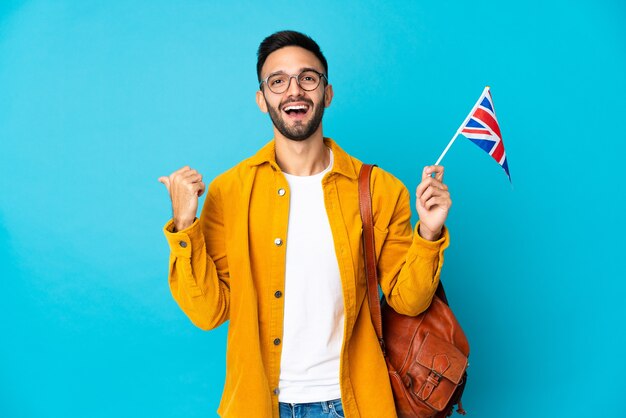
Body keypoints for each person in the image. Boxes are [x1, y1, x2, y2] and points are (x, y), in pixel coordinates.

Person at [158, 30, 452, 418]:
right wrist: (184, 225)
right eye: (278, 81)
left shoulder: (378, 189)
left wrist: (429, 233)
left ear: (326, 93)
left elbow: (408, 300)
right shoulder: (230, 191)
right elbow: (209, 311)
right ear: (262, 100)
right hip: (260, 404)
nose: (294, 90)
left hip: (352, 404)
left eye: (307, 78)